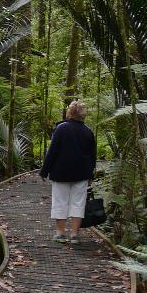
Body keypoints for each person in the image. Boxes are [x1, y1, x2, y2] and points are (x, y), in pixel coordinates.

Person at [40, 100, 96, 245]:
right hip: (82, 173)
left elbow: (52, 152)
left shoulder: (61, 128)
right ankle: (74, 235)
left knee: (60, 201)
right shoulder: (88, 131)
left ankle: (60, 233)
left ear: (70, 112)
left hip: (61, 172)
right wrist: (90, 175)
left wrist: (44, 171)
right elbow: (92, 156)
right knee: (78, 203)